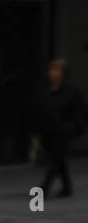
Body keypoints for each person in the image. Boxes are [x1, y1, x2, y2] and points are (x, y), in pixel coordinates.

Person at [30, 58, 87, 198]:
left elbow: (82, 110)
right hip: (47, 130)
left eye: (57, 70)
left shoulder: (72, 90)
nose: (54, 73)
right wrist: (35, 133)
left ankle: (44, 188)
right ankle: (67, 186)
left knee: (55, 159)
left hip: (65, 131)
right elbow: (37, 111)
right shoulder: (45, 89)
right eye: (52, 70)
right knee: (58, 158)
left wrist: (74, 126)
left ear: (63, 73)